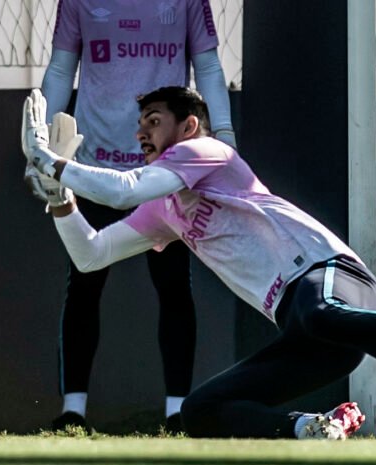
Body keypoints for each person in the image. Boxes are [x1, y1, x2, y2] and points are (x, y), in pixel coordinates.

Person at [20, 86, 376, 439]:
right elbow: (92, 256)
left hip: (329, 277)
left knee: (317, 312)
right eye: (140, 126)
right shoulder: (163, 211)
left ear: (188, 125)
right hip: (310, 329)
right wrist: (60, 201)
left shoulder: (206, 150)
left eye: (153, 121)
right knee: (200, 412)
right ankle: (311, 428)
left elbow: (121, 187)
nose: (142, 134)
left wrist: (49, 159)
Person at [32, 0, 236, 433]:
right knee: (85, 284)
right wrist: (44, 146)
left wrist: (226, 138)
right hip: (94, 164)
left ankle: (177, 414)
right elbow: (59, 71)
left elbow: (210, 69)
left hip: (163, 172)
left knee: (173, 286)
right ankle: (73, 413)